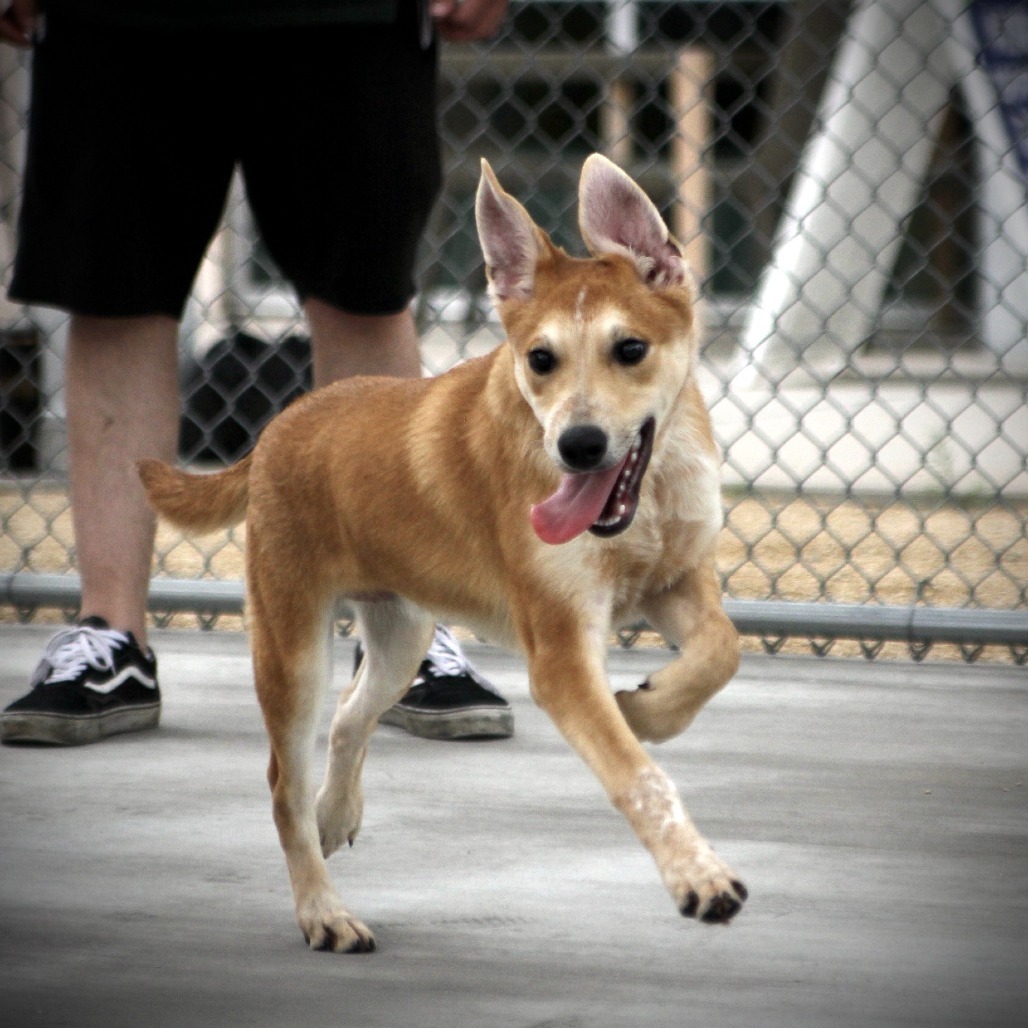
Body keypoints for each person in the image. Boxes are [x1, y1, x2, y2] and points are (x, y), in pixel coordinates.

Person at [0, 0, 514, 745]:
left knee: (363, 293)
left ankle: (400, 636)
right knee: (113, 294)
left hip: (346, 11)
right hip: (115, 12)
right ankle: (111, 634)